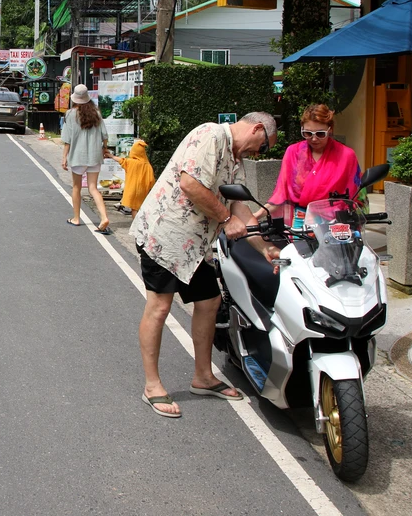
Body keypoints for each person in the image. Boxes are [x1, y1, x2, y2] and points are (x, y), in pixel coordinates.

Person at [130, 113, 281, 418]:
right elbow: (191, 185)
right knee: (159, 307)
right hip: (164, 236)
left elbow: (240, 206)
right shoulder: (211, 136)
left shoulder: (235, 160)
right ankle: (152, 386)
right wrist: (225, 220)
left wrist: (265, 248)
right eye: (263, 147)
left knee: (210, 301)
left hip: (193, 247)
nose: (258, 154)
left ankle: (203, 377)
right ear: (257, 129)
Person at [261, 104, 364, 230]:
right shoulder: (293, 152)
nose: (314, 139)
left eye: (320, 134)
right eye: (307, 133)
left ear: (330, 129)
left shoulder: (346, 155)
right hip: (301, 219)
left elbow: (355, 195)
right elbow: (281, 193)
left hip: (337, 222)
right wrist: (256, 216)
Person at [61, 84, 111, 234]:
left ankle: (76, 218)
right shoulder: (96, 113)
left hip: (78, 156)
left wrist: (64, 157)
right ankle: (104, 218)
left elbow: (67, 140)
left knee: (77, 188)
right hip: (94, 156)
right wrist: (104, 148)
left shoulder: (70, 114)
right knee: (93, 188)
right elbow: (105, 136)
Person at [104, 139, 155, 219]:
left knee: (134, 209)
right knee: (141, 208)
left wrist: (111, 156)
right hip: (143, 191)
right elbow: (151, 180)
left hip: (132, 190)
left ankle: (135, 225)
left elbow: (121, 161)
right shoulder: (148, 165)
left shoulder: (131, 162)